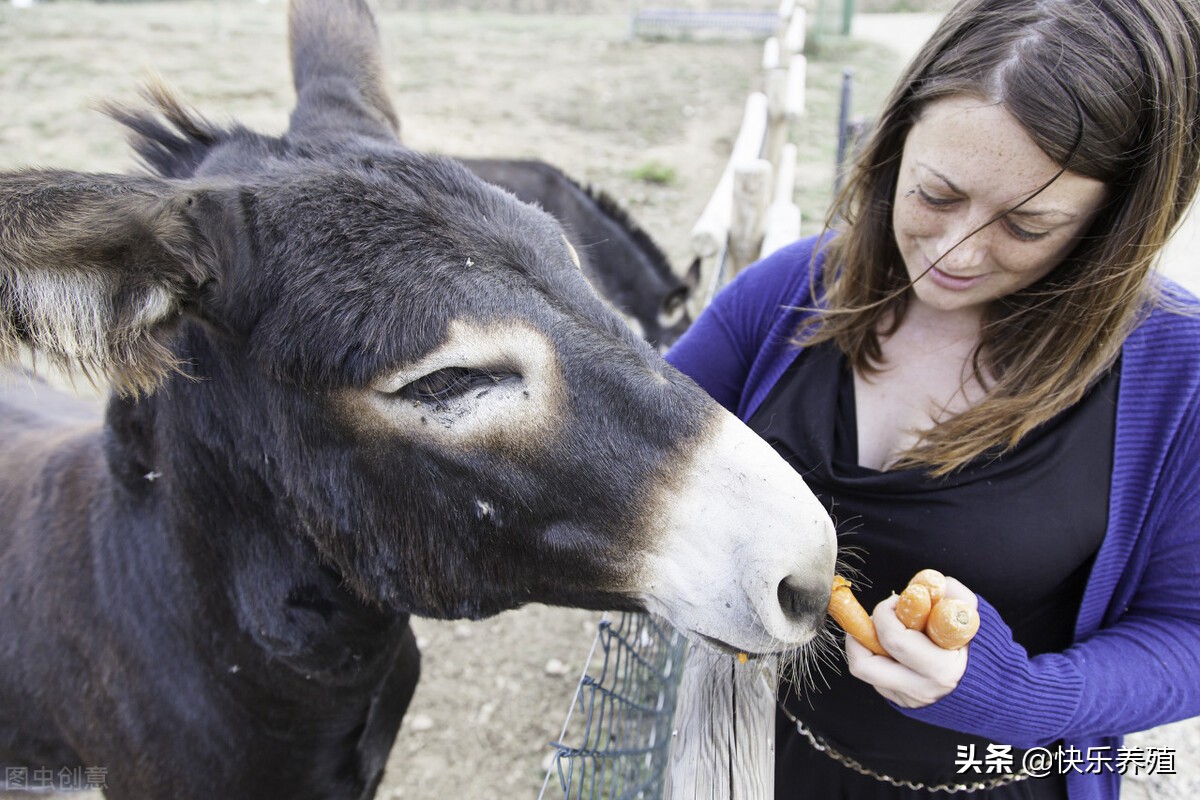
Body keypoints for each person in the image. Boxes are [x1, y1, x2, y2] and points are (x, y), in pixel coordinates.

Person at [665, 0, 1200, 797]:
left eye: (1027, 226)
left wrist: (1018, 696)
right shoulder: (789, 293)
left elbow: (1186, 633)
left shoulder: (1176, 370)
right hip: (755, 759)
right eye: (936, 194)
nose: (956, 252)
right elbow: (631, 456)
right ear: (895, 142)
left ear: (1111, 225)